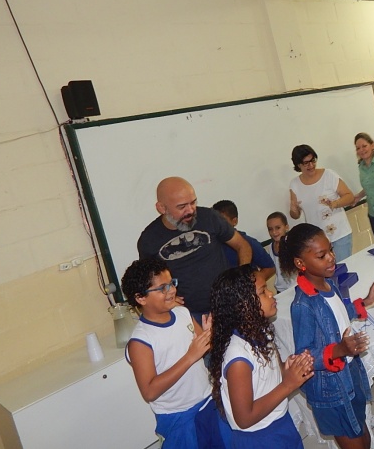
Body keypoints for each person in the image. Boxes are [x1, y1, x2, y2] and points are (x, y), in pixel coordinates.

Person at [280, 223, 374, 449]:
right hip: (331, 388)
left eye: (330, 250)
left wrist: (365, 302)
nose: (331, 257)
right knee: (352, 439)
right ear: (300, 263)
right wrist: (339, 350)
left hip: (350, 372)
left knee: (361, 430)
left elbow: (336, 316)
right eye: (322, 256)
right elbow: (304, 356)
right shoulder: (302, 305)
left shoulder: (329, 283)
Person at [121, 258, 227, 449]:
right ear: (141, 298)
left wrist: (208, 335)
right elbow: (149, 391)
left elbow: (204, 346)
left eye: (172, 283)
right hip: (179, 417)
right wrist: (189, 357)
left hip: (208, 401)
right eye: (163, 288)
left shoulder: (182, 313)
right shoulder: (141, 341)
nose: (171, 290)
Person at [208, 265, 314, 448]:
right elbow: (244, 418)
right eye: (263, 291)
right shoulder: (238, 358)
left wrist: (290, 368)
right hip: (258, 438)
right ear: (243, 305)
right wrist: (288, 384)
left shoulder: (261, 331)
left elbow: (273, 375)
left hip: (280, 422)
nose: (271, 294)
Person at [137, 177, 252, 322]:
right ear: (161, 208)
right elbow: (149, 282)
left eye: (193, 203)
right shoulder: (149, 240)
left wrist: (242, 278)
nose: (190, 210)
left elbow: (242, 245)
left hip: (230, 303)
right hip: (189, 315)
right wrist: (167, 299)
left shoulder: (209, 217)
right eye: (182, 207)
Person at [289, 144, 355, 261]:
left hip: (339, 235)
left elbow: (350, 197)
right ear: (298, 165)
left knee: (342, 269)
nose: (311, 165)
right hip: (316, 242)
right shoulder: (294, 184)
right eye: (306, 163)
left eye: (313, 160)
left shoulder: (329, 175)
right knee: (324, 272)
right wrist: (293, 210)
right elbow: (295, 215)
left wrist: (335, 203)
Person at [213, 199, 276, 283]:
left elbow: (270, 268)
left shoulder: (248, 242)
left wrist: (252, 283)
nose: (219, 226)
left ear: (234, 221)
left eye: (222, 222)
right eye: (215, 222)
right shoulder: (212, 244)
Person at [265, 211, 296, 293]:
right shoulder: (270, 248)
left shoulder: (293, 244)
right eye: (270, 229)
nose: (274, 232)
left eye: (278, 228)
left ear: (286, 227)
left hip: (296, 286)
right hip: (281, 290)